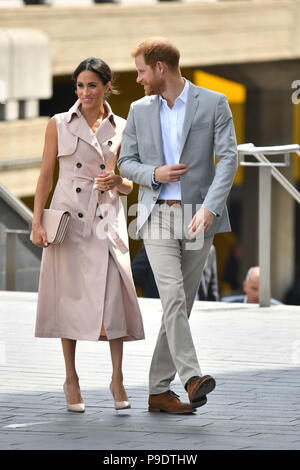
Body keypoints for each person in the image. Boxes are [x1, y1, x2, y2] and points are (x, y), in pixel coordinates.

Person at [118, 37, 237, 414]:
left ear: (159, 68)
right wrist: (155, 173)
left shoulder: (214, 103)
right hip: (156, 215)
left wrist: (210, 210)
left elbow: (229, 159)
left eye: (141, 70)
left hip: (199, 216)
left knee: (180, 306)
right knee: (172, 298)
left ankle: (156, 391)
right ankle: (191, 378)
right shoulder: (139, 110)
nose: (138, 78)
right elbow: (126, 163)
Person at [31, 58, 144, 413]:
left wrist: (117, 182)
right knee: (68, 298)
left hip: (105, 221)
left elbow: (129, 183)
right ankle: (71, 378)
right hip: (68, 223)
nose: (85, 93)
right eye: (79, 86)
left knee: (114, 298)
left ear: (107, 86)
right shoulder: (58, 124)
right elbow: (46, 176)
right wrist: (37, 222)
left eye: (92, 85)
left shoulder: (124, 127)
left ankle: (117, 377)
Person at [132, 243, 219, 301]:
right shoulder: (156, 245)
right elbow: (133, 276)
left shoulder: (209, 249)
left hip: (196, 314)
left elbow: (212, 292)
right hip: (160, 312)